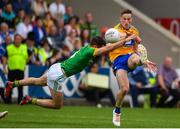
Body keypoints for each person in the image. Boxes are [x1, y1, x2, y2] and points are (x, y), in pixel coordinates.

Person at [4, 35, 136, 109]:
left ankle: (13, 84)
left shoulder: (86, 48)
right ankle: (30, 100)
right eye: (100, 48)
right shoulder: (91, 50)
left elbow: (82, 59)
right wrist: (125, 41)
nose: (100, 51)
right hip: (59, 75)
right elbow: (109, 48)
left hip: (57, 67)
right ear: (96, 46)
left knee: (38, 81)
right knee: (57, 105)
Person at [109, 9, 156, 126]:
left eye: (128, 19)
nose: (126, 21)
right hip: (118, 60)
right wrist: (125, 38)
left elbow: (136, 49)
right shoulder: (114, 31)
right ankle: (117, 111)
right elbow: (108, 47)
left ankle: (142, 61)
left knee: (135, 57)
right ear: (120, 19)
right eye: (124, 19)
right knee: (125, 89)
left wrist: (145, 61)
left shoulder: (134, 31)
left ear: (131, 19)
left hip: (130, 57)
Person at [2, 34, 28, 104]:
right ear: (14, 40)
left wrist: (25, 64)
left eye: (19, 39)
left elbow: (28, 57)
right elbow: (4, 57)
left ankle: (20, 101)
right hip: (11, 70)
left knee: (20, 87)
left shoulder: (24, 47)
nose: (17, 40)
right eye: (16, 39)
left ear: (21, 40)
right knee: (9, 87)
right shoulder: (9, 47)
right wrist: (4, 67)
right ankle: (8, 101)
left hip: (21, 70)